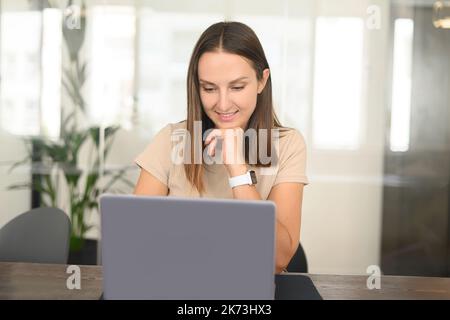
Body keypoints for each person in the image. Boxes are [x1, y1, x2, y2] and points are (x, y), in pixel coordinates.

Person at [133, 21, 309, 274]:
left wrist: (238, 170)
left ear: (262, 81)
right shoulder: (170, 141)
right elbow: (135, 243)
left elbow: (278, 258)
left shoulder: (288, 145)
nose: (223, 104)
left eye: (237, 87)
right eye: (209, 88)